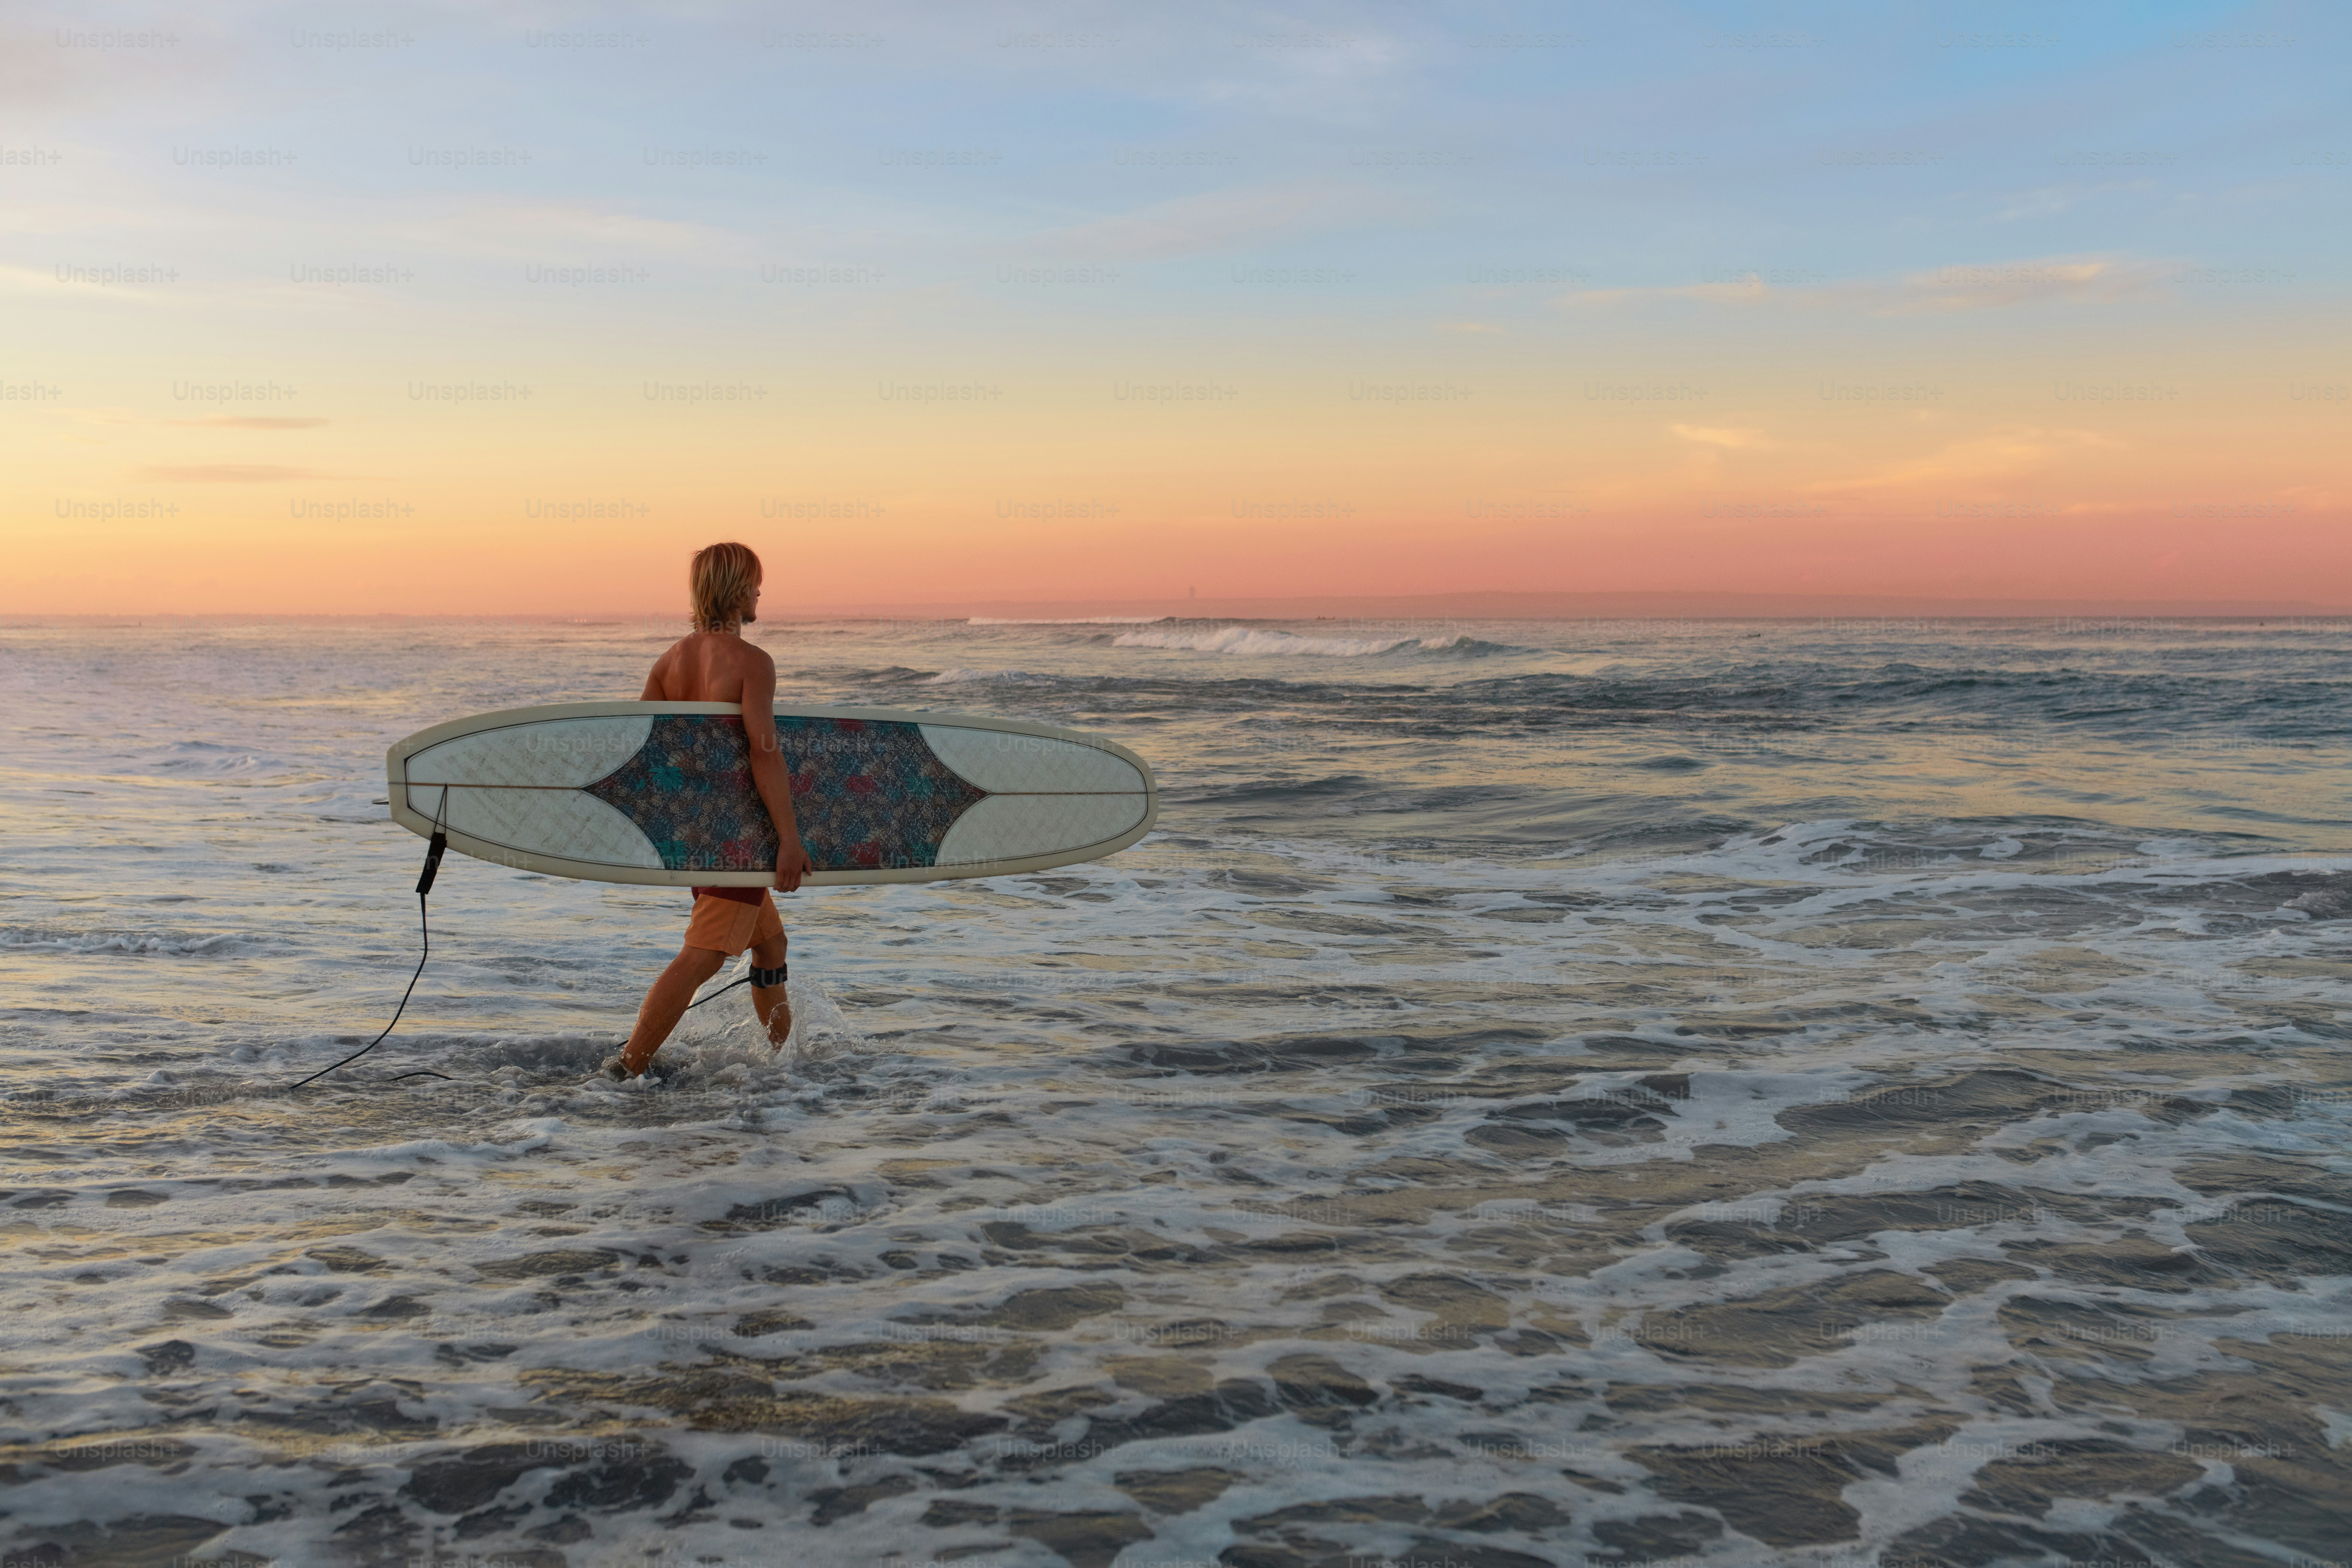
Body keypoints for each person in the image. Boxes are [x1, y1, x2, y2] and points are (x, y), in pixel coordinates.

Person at [602, 542, 812, 1079]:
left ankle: (784, 1062)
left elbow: (644, 753)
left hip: (694, 835)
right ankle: (628, 1067)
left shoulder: (668, 663)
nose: (761, 591)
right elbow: (765, 754)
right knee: (704, 955)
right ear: (738, 590)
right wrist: (789, 839)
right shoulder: (752, 664)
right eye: (755, 582)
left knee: (770, 944)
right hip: (739, 837)